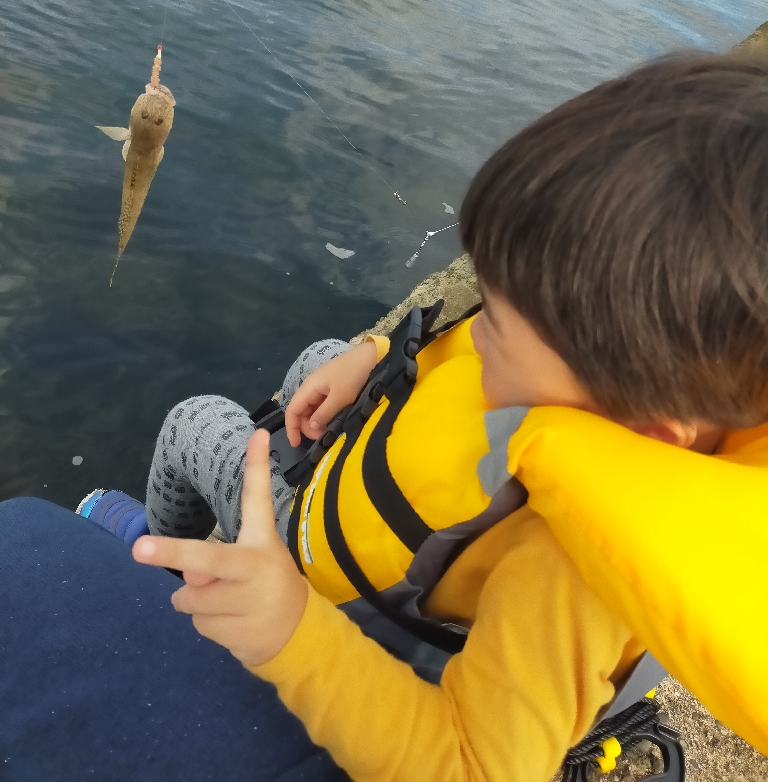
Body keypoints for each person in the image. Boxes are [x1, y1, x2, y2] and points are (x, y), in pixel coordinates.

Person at [2, 50, 767, 781]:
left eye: (498, 325)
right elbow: (463, 334)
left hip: (324, 587)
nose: (476, 327)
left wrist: (289, 626)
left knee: (193, 422)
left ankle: (168, 568)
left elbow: (470, 769)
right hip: (383, 498)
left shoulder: (569, 573)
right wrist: (374, 352)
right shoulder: (658, 376)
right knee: (322, 358)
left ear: (645, 424)